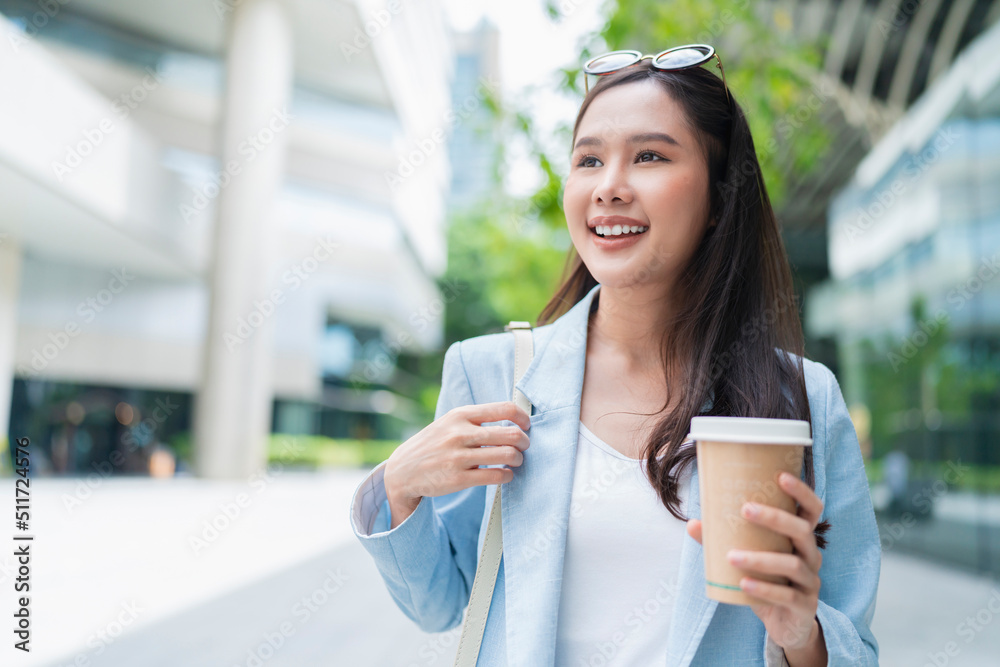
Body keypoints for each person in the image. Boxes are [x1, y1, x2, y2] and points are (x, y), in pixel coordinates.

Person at [350, 46, 880, 666]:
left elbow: (856, 651)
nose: (608, 187)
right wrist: (400, 487)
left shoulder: (803, 400)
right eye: (589, 160)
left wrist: (800, 634)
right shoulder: (494, 374)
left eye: (650, 156)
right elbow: (439, 605)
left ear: (719, 197)